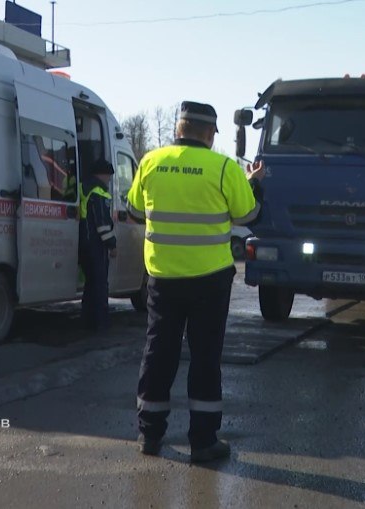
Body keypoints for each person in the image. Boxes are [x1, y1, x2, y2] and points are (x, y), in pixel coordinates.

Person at [127, 101, 265, 463]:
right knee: (205, 358)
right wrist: (254, 184)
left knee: (158, 352)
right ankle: (203, 442)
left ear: (179, 128)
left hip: (162, 278)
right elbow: (249, 214)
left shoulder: (150, 162)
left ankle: (149, 435)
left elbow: (134, 211)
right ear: (209, 133)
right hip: (209, 281)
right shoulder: (222, 167)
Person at [78, 160, 117, 331]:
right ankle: (101, 322)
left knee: (90, 283)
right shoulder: (99, 192)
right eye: (109, 176)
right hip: (96, 244)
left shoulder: (83, 187)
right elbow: (102, 224)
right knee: (100, 284)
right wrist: (112, 244)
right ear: (102, 174)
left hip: (84, 242)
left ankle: (87, 320)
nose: (109, 179)